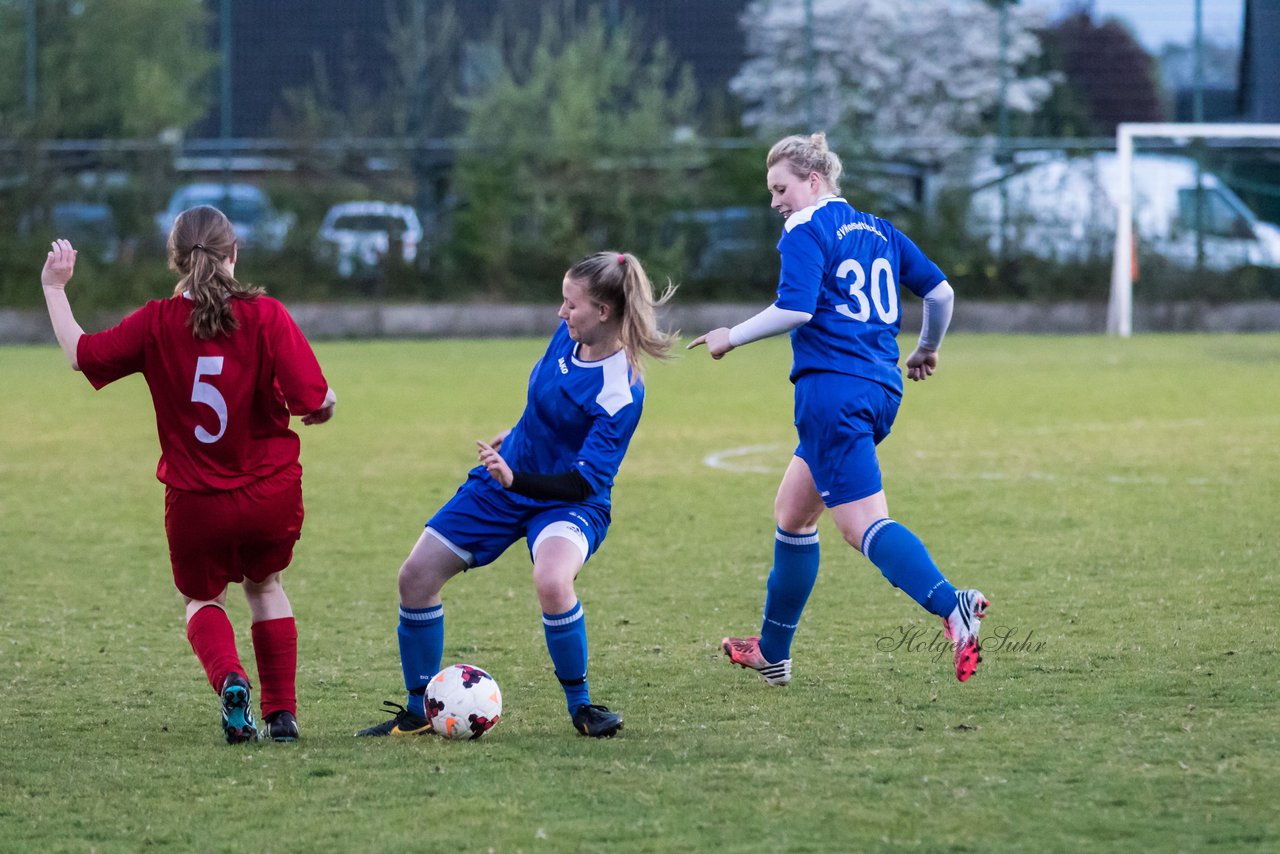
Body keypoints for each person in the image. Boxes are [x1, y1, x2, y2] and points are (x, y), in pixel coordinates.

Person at [687, 132, 989, 686]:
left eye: (781, 188)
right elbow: (941, 293)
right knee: (794, 514)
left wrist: (730, 335)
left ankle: (954, 604)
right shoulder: (881, 229)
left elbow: (795, 311)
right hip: (879, 390)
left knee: (863, 526)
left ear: (814, 181)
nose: (775, 201)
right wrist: (927, 347)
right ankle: (772, 652)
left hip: (832, 393)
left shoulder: (805, 228)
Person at [39, 206, 337, 743]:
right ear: (233, 254)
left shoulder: (156, 322)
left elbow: (82, 355)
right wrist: (327, 402)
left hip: (196, 502)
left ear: (175, 260)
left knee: (203, 601)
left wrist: (56, 288)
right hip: (269, 493)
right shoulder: (265, 315)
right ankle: (282, 717)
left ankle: (231, 682)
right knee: (266, 587)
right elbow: (312, 401)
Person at [356, 251, 674, 739]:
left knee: (552, 579)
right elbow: (547, 403)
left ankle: (582, 707)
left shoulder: (621, 390)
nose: (560, 313)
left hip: (569, 501)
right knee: (416, 577)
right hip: (506, 481)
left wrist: (515, 479)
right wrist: (519, 433)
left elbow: (582, 481)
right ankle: (421, 709)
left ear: (604, 312)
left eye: (571, 305)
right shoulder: (568, 337)